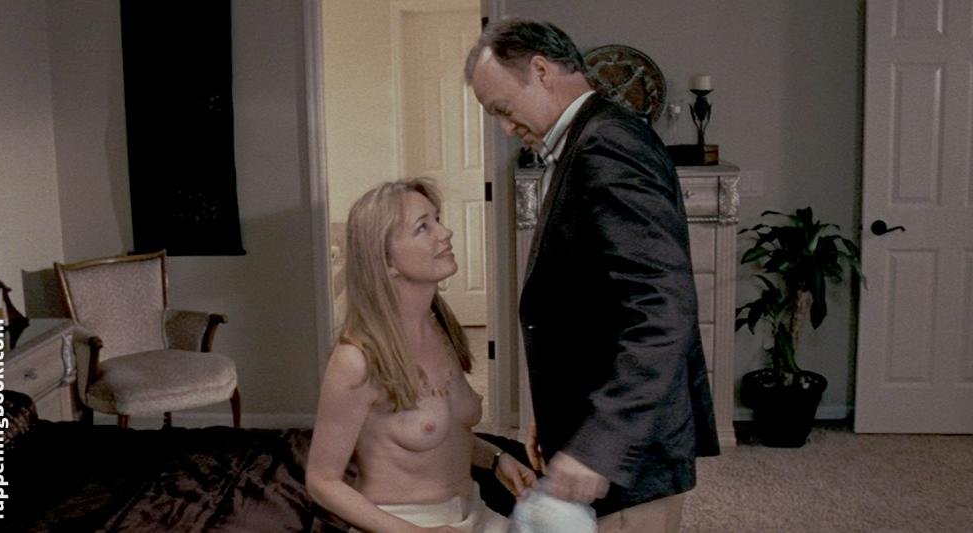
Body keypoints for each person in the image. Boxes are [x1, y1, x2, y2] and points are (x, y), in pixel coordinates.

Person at [465, 18, 721, 532]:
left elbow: (662, 309)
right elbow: (588, 298)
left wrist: (599, 445)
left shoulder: (608, 144)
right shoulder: (585, 139)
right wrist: (555, 416)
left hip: (629, 452)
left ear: (541, 71)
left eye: (502, 109)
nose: (505, 128)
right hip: (593, 425)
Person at [306, 178, 537, 533]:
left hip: (473, 513)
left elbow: (443, 435)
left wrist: (496, 459)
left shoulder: (440, 325)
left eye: (437, 219)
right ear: (387, 262)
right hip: (405, 524)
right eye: (423, 227)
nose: (446, 233)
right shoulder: (357, 358)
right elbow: (322, 482)